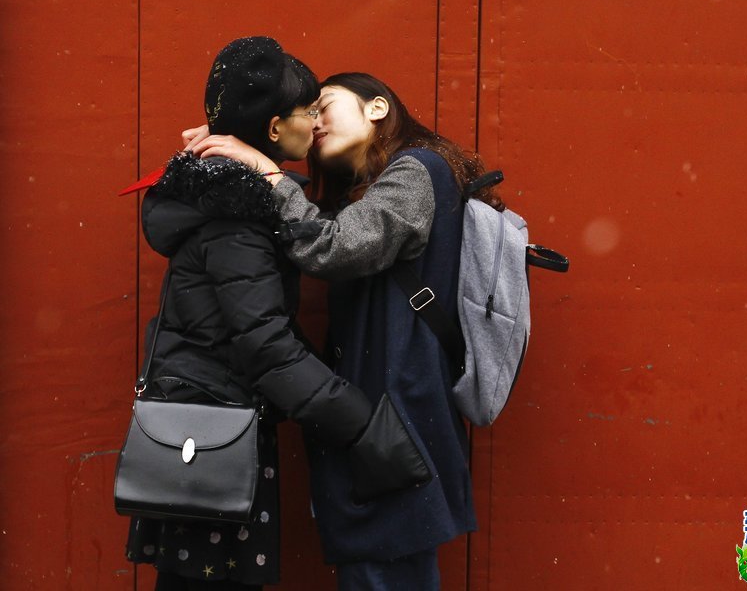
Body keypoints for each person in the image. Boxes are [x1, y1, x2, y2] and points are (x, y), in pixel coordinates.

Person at [126, 41, 426, 591]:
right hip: (212, 435)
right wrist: (364, 429)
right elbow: (266, 344)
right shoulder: (236, 214)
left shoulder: (229, 196)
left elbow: (261, 328)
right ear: (273, 128)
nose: (317, 124)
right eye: (308, 111)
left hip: (209, 425)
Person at [187, 72, 504, 590]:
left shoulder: (417, 168)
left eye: (324, 105)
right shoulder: (372, 189)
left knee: (386, 569)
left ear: (376, 108)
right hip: (389, 413)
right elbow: (322, 225)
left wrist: (265, 171)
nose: (314, 121)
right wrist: (245, 146)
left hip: (400, 413)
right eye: (307, 113)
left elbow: (334, 246)